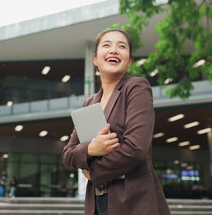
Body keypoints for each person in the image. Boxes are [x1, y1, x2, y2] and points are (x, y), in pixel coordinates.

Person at [61, 29, 170, 215]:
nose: (114, 50)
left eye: (122, 46)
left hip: (133, 201)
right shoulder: (90, 103)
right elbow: (67, 155)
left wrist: (93, 172)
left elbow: (136, 149)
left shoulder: (136, 88)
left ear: (129, 60)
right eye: (106, 45)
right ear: (95, 59)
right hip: (96, 202)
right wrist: (91, 149)